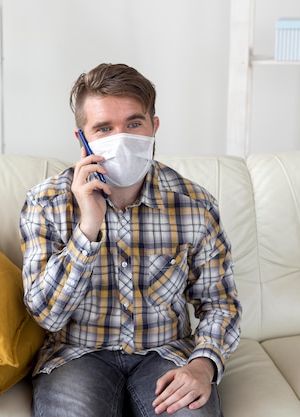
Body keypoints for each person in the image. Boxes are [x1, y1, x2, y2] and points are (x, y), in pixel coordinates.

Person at [19, 63, 241, 417]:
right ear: (83, 139)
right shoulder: (46, 202)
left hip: (166, 353)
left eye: (134, 124)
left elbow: (220, 304)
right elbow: (46, 315)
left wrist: (204, 366)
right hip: (76, 354)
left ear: (154, 127)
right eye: (104, 128)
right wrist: (88, 226)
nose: (121, 138)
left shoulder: (194, 204)